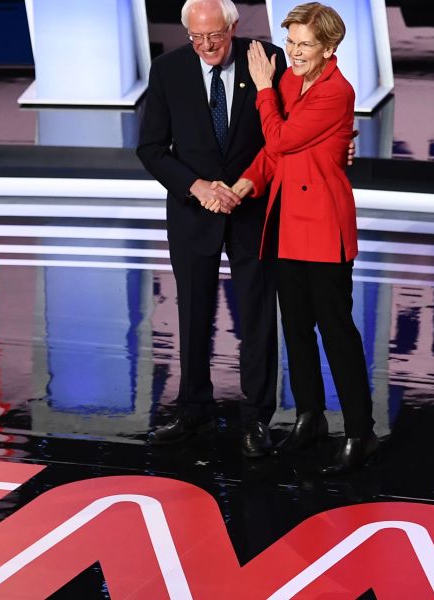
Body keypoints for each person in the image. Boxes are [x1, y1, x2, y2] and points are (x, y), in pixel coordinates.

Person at [232, 2, 377, 475]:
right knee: (295, 328)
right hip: (287, 223)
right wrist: (247, 182)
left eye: (304, 45)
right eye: (290, 42)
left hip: (323, 226)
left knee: (337, 333)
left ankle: (359, 432)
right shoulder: (291, 82)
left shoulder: (337, 91)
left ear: (330, 47)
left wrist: (262, 90)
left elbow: (280, 139)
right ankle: (310, 416)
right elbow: (274, 158)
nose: (293, 52)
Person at [137, 0, 287, 457]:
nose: (206, 47)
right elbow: (151, 148)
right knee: (193, 314)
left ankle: (257, 419)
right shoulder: (168, 70)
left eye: (215, 37)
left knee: (258, 317)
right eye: (196, 38)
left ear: (233, 27)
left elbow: (285, 131)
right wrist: (196, 186)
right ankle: (193, 410)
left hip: (253, 206)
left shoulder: (267, 58)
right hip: (193, 211)